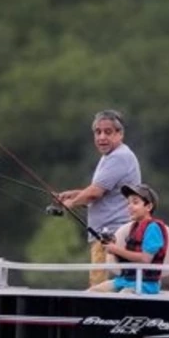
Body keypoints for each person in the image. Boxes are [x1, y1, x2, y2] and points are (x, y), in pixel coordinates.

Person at [59, 110, 141, 287]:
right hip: (108, 235)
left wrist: (71, 204)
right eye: (98, 132)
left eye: (108, 132)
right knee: (101, 284)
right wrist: (75, 194)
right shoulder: (111, 156)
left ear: (120, 134)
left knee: (100, 286)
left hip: (112, 236)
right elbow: (105, 191)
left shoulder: (119, 157)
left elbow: (95, 193)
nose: (102, 137)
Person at [92, 183, 169, 294]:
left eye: (135, 202)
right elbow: (127, 260)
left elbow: (145, 259)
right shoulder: (134, 228)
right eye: (128, 203)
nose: (130, 206)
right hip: (125, 281)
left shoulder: (153, 228)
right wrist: (113, 249)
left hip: (146, 284)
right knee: (93, 292)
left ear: (148, 207)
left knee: (124, 295)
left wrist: (116, 249)